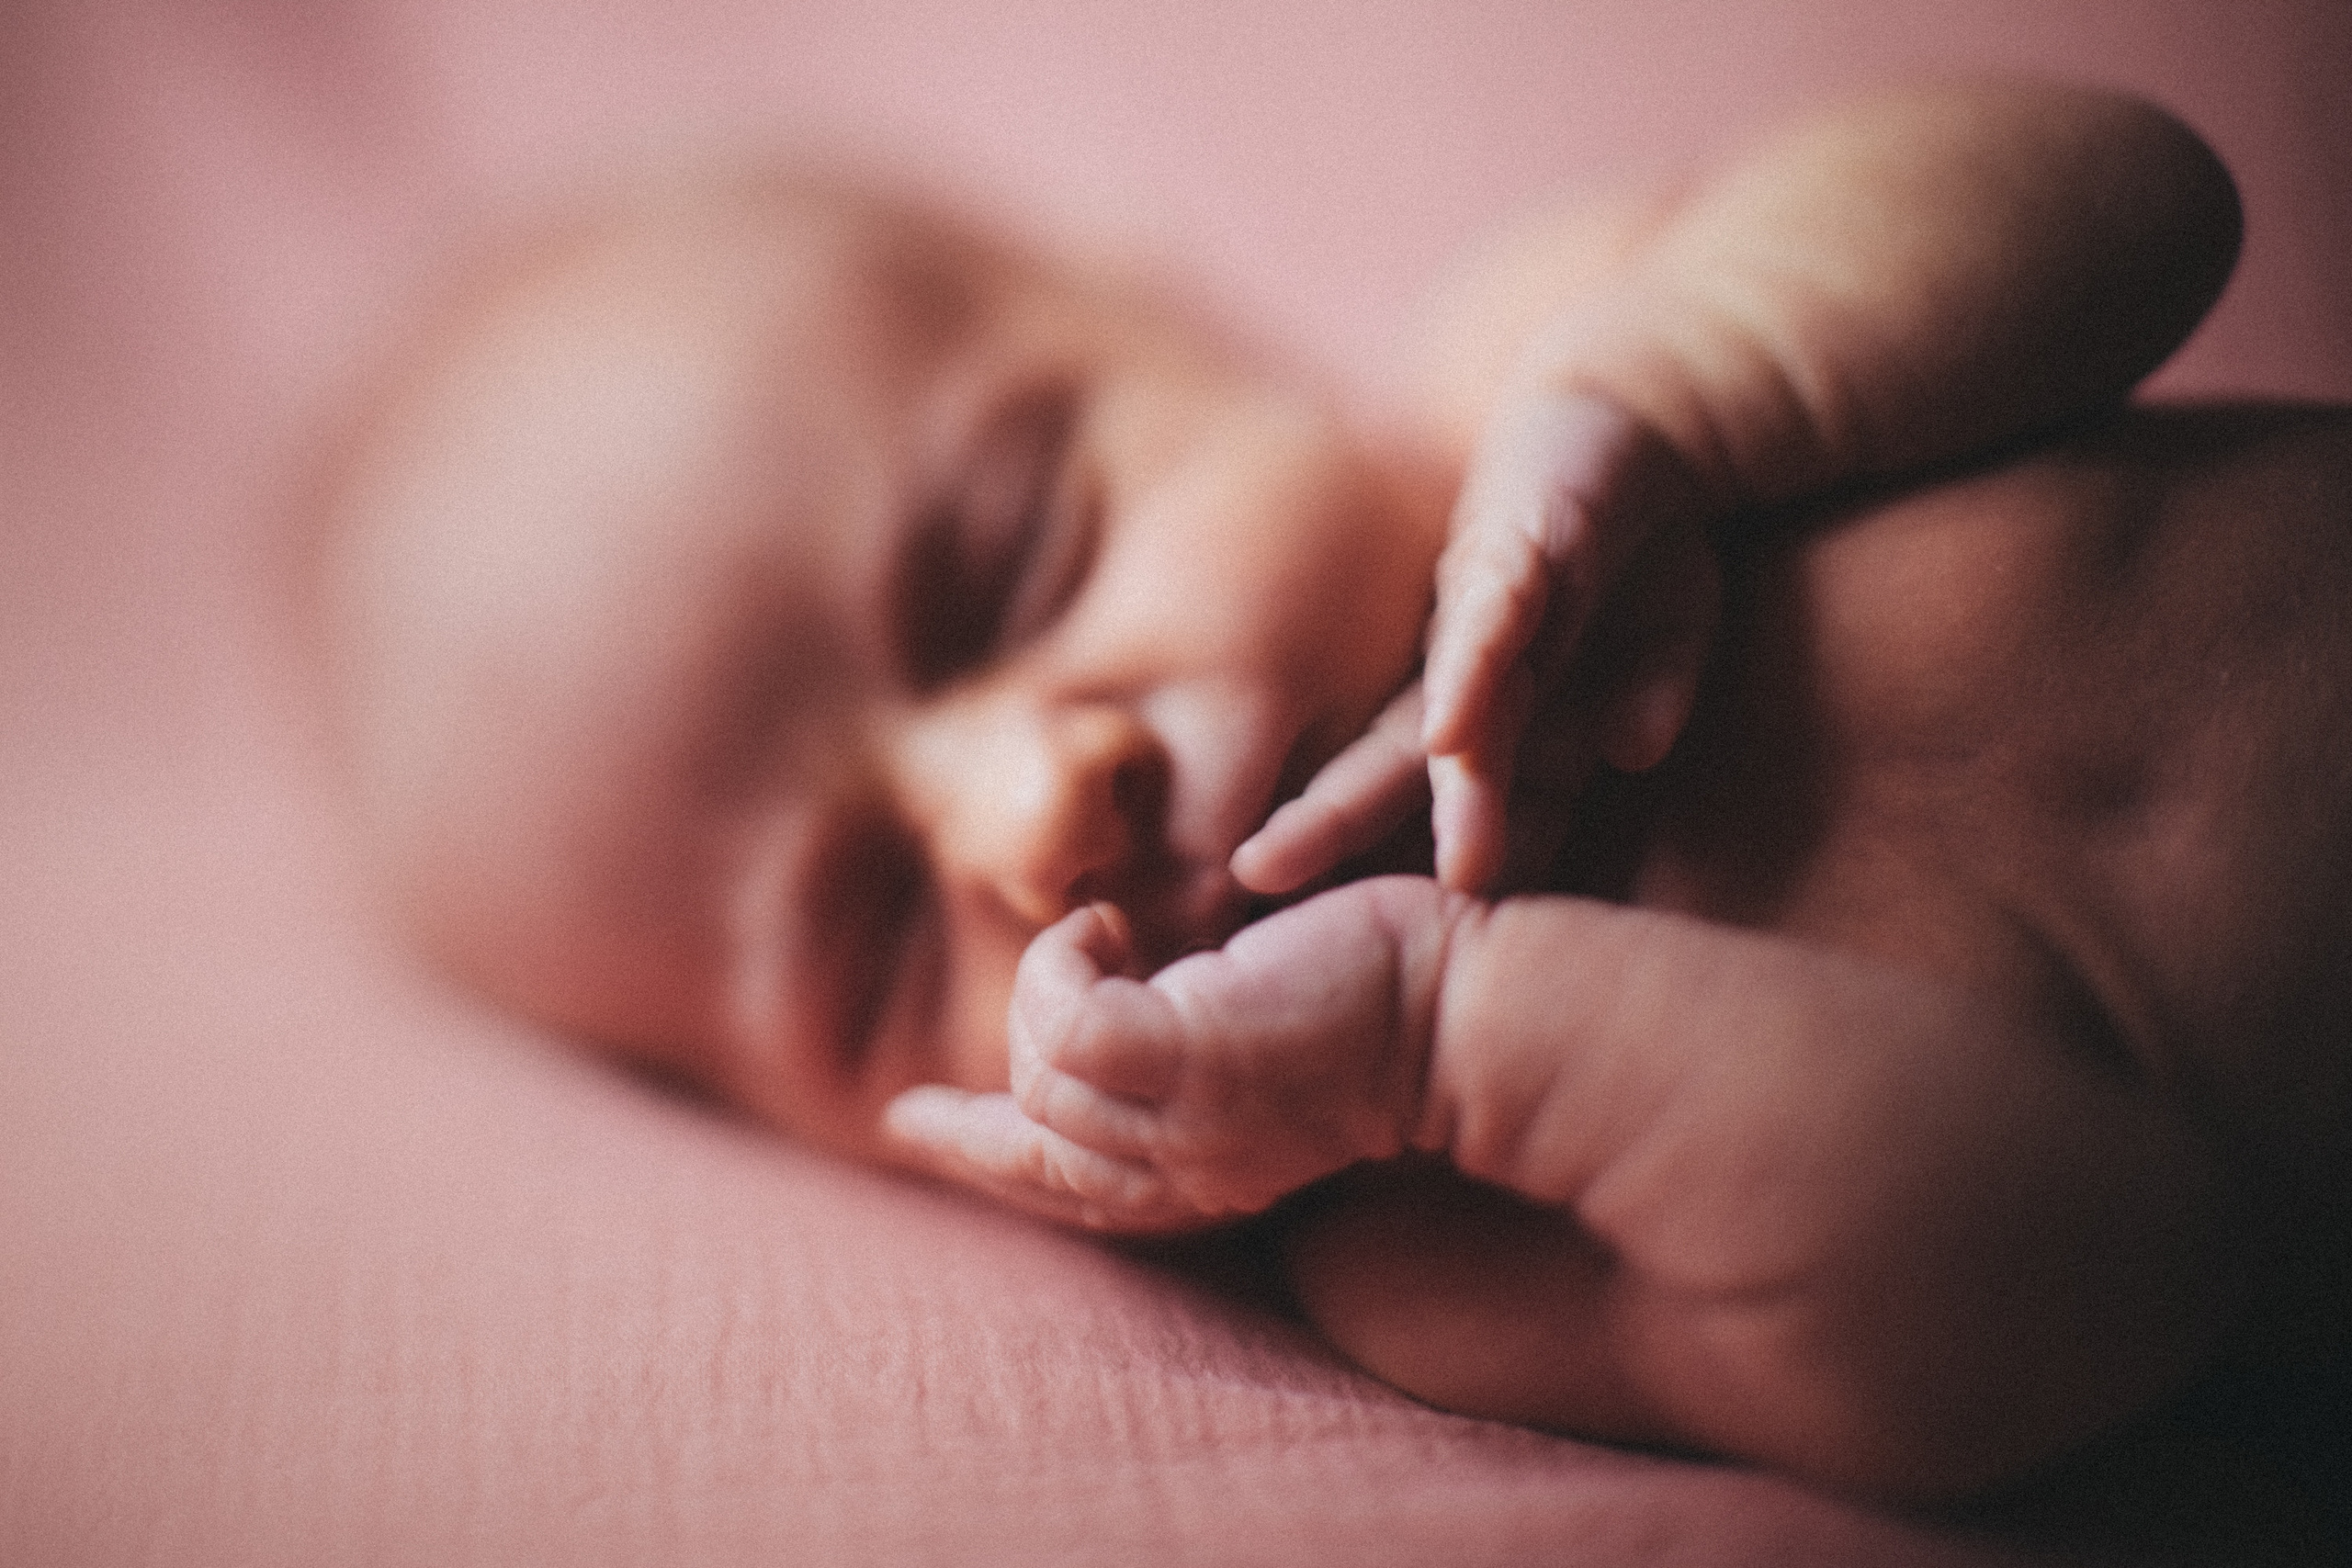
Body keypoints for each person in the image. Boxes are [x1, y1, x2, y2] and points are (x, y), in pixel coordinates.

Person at [315, 80, 2345, 1499]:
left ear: (1169, 317)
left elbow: (2146, 197)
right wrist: (1440, 1042)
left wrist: (1688, 388)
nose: (1034, 816)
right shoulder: (1430, 1238)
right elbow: (2095, 1274)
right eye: (869, 942)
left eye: (1014, 562)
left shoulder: (1542, 349)